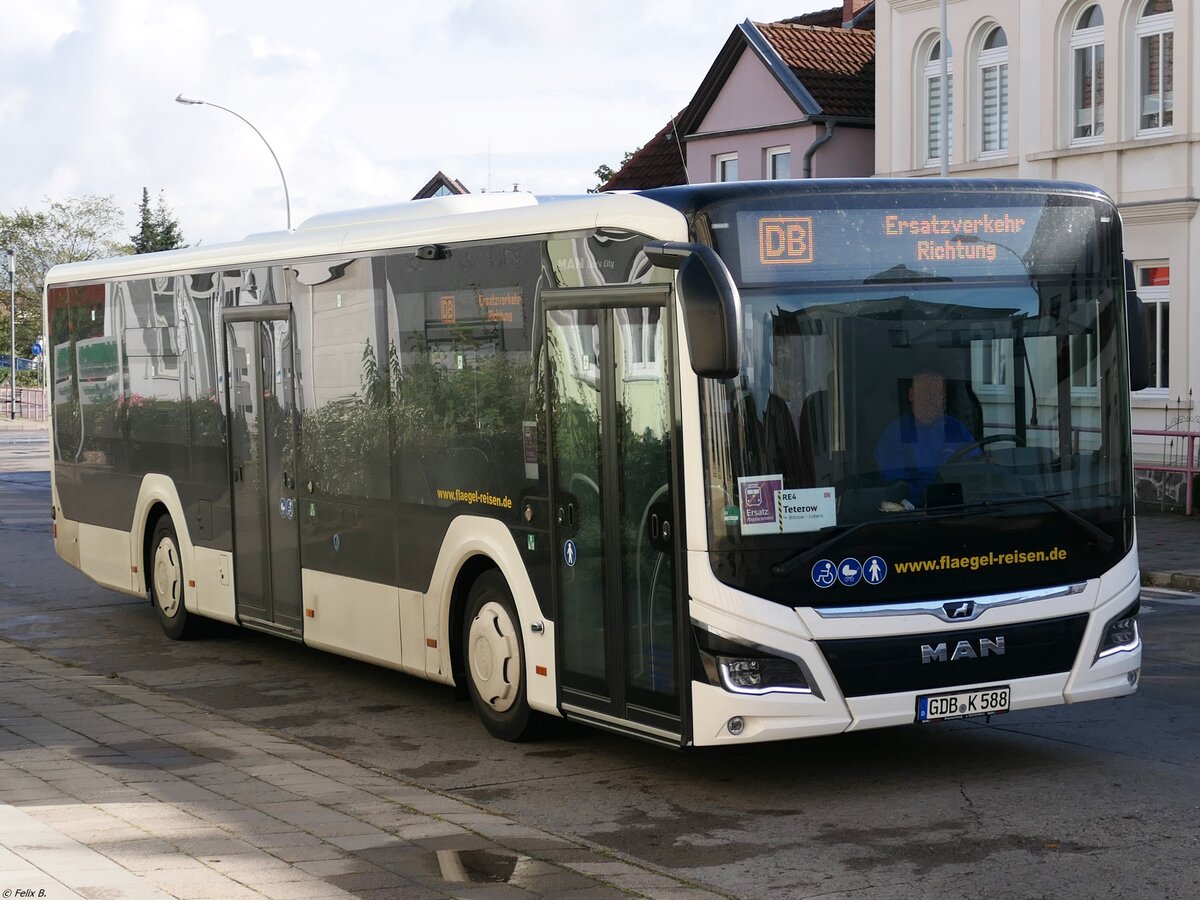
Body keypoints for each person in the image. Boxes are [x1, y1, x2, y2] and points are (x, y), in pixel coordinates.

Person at [874, 370, 978, 504]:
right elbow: (895, 486)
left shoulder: (954, 427)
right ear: (911, 395)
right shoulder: (897, 432)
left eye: (936, 393)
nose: (931, 398)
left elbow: (976, 469)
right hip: (916, 513)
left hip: (957, 508)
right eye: (925, 392)